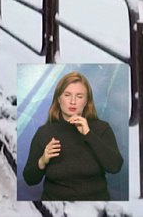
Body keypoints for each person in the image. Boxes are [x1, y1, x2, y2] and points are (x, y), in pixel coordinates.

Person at [22, 71, 124, 201]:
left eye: (79, 96)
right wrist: (43, 161)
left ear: (87, 101)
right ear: (59, 99)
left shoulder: (102, 129)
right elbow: (29, 179)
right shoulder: (44, 132)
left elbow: (115, 167)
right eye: (67, 95)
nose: (73, 101)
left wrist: (89, 134)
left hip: (95, 207)